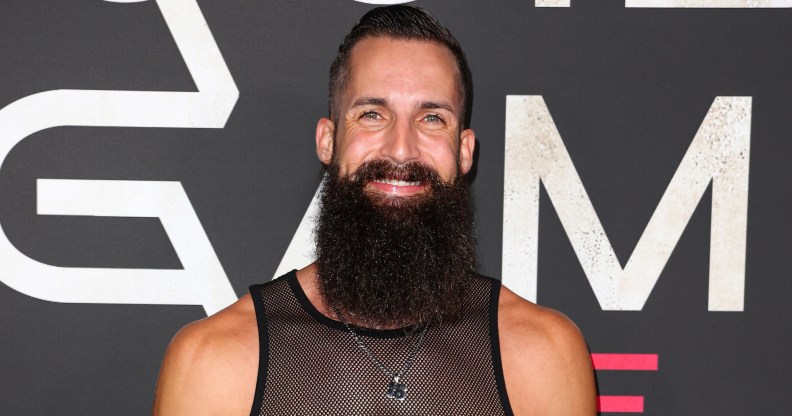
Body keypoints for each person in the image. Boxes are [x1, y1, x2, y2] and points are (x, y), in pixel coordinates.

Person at [153, 5, 596, 415]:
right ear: (328, 141)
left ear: (464, 151)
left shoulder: (542, 355)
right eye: (371, 114)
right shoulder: (216, 360)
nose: (401, 148)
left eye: (431, 118)